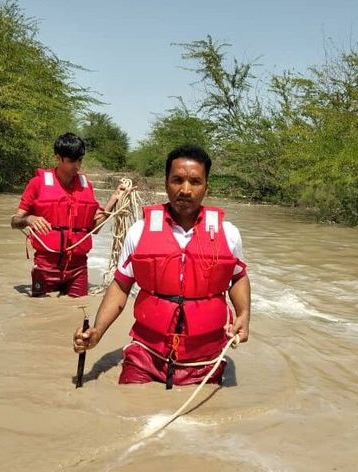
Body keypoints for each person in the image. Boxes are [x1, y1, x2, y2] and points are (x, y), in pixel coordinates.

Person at [73, 144, 251, 388]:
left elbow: (238, 277)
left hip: (205, 362)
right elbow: (121, 285)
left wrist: (244, 314)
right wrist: (97, 332)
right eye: (177, 180)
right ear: (166, 183)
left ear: (206, 188)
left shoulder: (229, 234)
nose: (185, 190)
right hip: (145, 357)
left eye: (195, 182)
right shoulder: (139, 232)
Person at [11, 132, 125, 298]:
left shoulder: (86, 186)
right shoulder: (37, 184)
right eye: (72, 161)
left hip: (78, 269)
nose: (77, 166)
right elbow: (14, 221)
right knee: (40, 314)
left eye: (80, 160)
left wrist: (114, 200)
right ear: (58, 158)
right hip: (45, 267)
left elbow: (94, 228)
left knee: (78, 312)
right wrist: (29, 219)